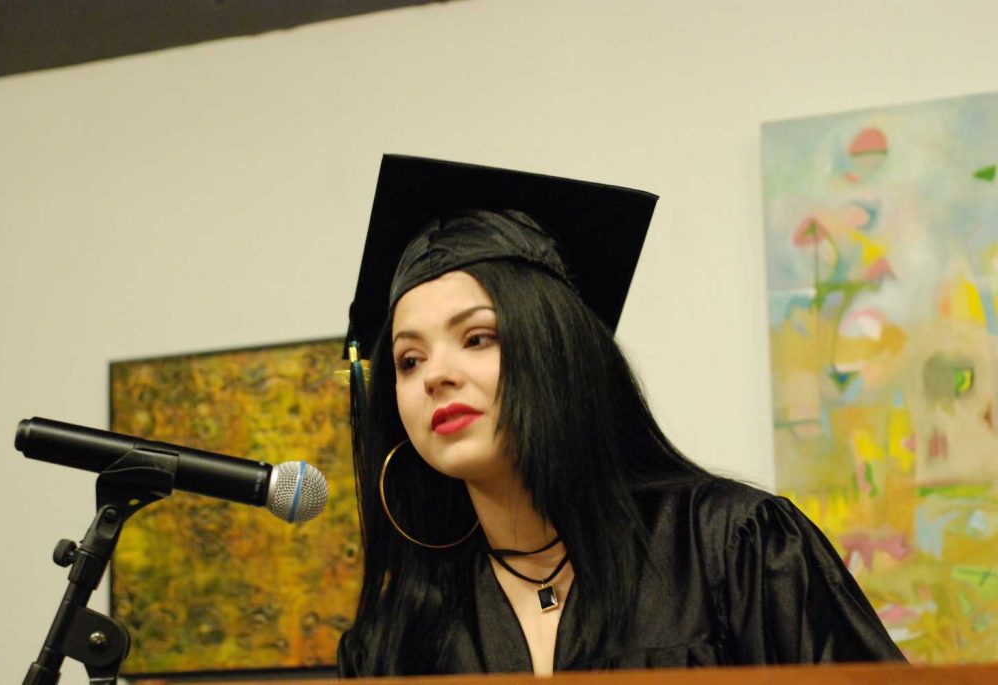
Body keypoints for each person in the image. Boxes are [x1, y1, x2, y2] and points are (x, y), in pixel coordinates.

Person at [337, 155, 905, 676]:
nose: (435, 374)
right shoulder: (396, 638)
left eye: (478, 337)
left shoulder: (733, 549)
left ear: (560, 350)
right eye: (409, 360)